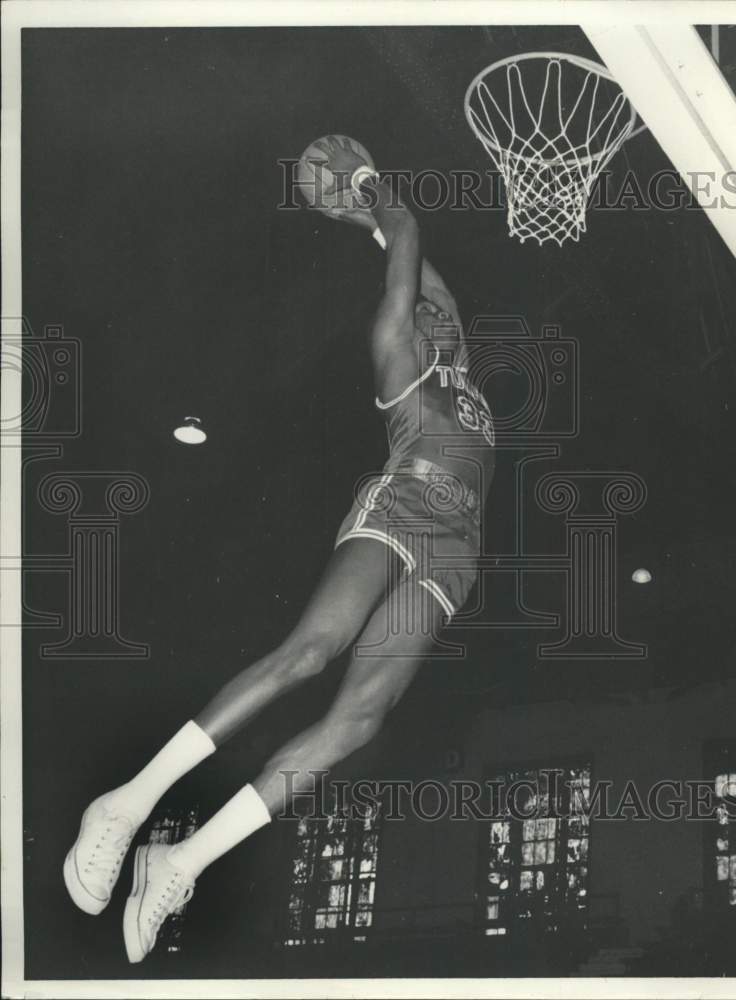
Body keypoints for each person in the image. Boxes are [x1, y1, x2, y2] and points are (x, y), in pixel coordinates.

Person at [63, 136, 495, 963]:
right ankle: (125, 804)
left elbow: (421, 263)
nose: (438, 307)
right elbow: (409, 243)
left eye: (443, 306)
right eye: (425, 303)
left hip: (456, 553)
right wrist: (370, 194)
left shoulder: (461, 370)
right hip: (404, 504)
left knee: (360, 721)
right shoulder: (399, 352)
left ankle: (180, 863)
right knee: (311, 652)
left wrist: (371, 224)